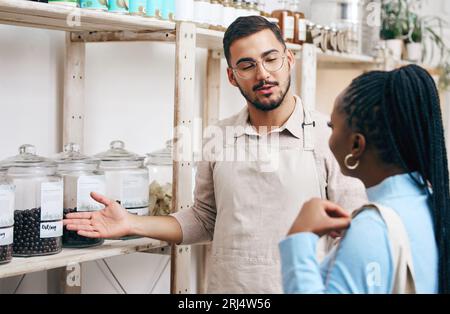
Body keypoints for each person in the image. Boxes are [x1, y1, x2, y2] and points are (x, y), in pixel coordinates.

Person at [64, 16, 366, 293]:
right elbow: (204, 219)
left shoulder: (329, 137)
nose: (263, 74)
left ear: (288, 60)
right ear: (233, 77)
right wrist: (131, 223)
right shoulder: (218, 137)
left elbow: (355, 232)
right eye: (247, 65)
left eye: (271, 59)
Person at [280, 64, 449, 294]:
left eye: (332, 127)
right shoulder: (431, 203)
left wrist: (300, 238)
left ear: (356, 145)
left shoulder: (373, 229)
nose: (329, 136)